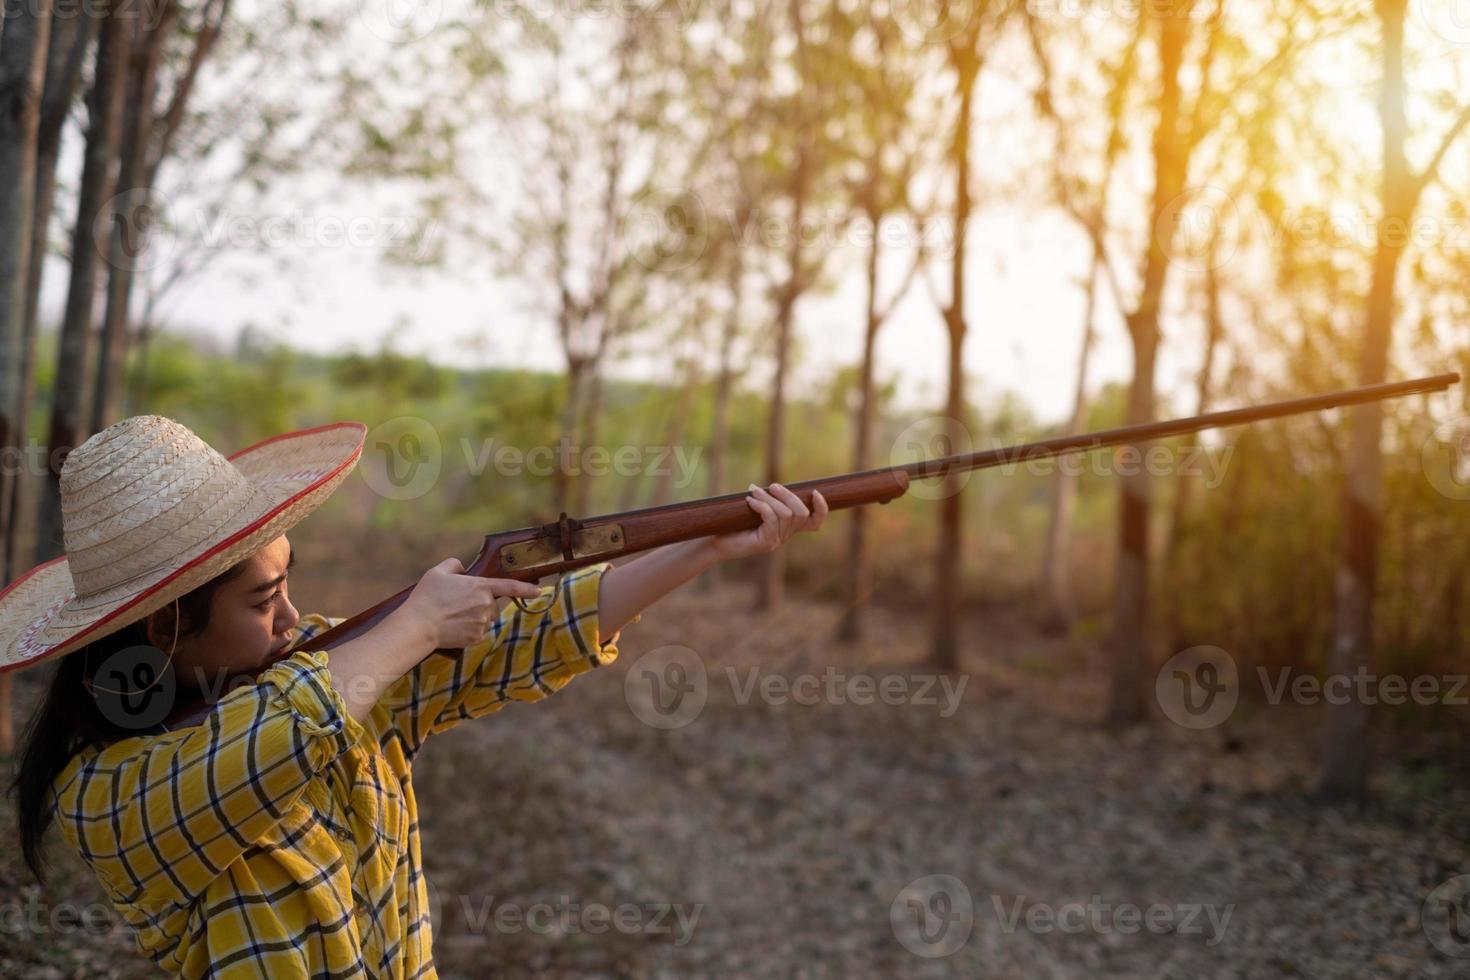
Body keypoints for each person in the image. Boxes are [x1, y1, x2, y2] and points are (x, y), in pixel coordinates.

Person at [2, 414, 827, 978]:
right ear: (165, 629)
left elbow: (523, 638)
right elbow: (277, 735)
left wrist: (703, 547)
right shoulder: (104, 797)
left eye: (288, 585)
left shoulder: (330, 669)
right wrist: (415, 623)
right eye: (262, 602)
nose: (292, 616)